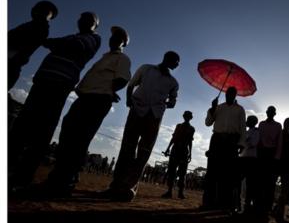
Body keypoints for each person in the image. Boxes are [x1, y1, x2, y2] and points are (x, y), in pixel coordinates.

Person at [9, 12, 101, 189]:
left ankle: (23, 176)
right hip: (43, 81)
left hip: (59, 85)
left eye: (88, 19)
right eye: (81, 17)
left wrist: (52, 43)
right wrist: (53, 43)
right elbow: (56, 43)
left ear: (95, 25)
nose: (82, 20)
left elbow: (72, 45)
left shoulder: (93, 39)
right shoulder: (73, 37)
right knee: (21, 126)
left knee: (43, 130)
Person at [42, 26, 130, 196]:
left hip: (97, 99)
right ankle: (60, 178)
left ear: (123, 43)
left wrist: (110, 91)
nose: (112, 40)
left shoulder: (122, 58)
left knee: (79, 139)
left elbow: (122, 79)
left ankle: (64, 181)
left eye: (117, 39)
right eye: (112, 38)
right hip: (85, 97)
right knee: (68, 134)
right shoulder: (105, 58)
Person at [102, 51, 180, 202]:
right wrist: (128, 100)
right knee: (127, 148)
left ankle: (128, 188)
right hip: (137, 111)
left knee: (143, 153)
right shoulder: (146, 69)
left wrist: (169, 103)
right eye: (177, 61)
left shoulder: (173, 82)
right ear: (168, 59)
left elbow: (173, 101)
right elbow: (131, 85)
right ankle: (115, 186)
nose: (178, 65)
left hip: (155, 117)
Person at [202, 86, 246, 212]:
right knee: (212, 171)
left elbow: (242, 127)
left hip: (231, 142)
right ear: (225, 94)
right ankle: (208, 202)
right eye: (228, 93)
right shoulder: (218, 107)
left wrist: (241, 144)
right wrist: (212, 108)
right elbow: (208, 123)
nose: (229, 95)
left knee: (227, 174)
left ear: (235, 95)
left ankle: (224, 204)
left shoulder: (240, 110)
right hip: (216, 140)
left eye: (232, 94)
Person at [8, 0, 58, 90]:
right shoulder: (30, 25)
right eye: (38, 9)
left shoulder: (40, 28)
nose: (38, 12)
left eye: (44, 11)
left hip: (11, 65)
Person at [254, 106, 282, 215]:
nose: (270, 113)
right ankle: (257, 204)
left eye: (272, 112)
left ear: (274, 113)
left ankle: (267, 206)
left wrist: (276, 158)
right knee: (260, 180)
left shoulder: (278, 125)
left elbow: (279, 143)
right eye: (269, 111)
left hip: (271, 155)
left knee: (270, 183)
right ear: (266, 112)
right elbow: (258, 139)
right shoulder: (261, 124)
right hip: (261, 153)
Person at [161, 111, 195, 199]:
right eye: (186, 116)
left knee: (182, 172)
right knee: (172, 171)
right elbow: (174, 138)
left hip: (184, 151)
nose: (186, 117)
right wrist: (167, 149)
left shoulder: (192, 129)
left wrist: (190, 154)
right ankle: (169, 191)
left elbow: (190, 142)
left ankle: (180, 193)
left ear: (190, 118)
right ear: (184, 116)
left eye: (188, 116)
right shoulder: (178, 126)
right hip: (175, 150)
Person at [275, 117, 289, 222]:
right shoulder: (279, 133)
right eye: (286, 122)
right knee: (270, 186)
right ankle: (274, 210)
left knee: (284, 191)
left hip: (286, 166)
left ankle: (279, 211)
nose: (286, 124)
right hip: (277, 163)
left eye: (288, 123)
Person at [239, 115, 259, 213]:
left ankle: (247, 206)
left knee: (250, 184)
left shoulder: (256, 132)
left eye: (249, 120)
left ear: (253, 122)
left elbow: (253, 143)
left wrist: (245, 141)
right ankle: (238, 204)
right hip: (243, 158)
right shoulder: (246, 132)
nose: (247, 121)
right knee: (239, 181)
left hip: (251, 159)